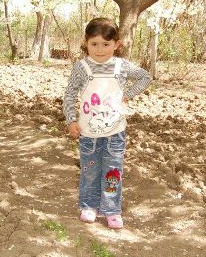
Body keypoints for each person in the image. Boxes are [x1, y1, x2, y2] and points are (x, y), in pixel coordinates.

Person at [63, 17, 152, 229]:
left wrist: (126, 95)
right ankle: (89, 206)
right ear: (86, 43)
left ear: (116, 44)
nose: (100, 50)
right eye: (94, 44)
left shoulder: (122, 66)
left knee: (113, 171)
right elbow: (69, 94)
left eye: (106, 44)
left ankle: (112, 210)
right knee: (90, 171)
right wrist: (70, 119)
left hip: (115, 133)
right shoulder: (81, 67)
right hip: (88, 133)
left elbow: (145, 77)